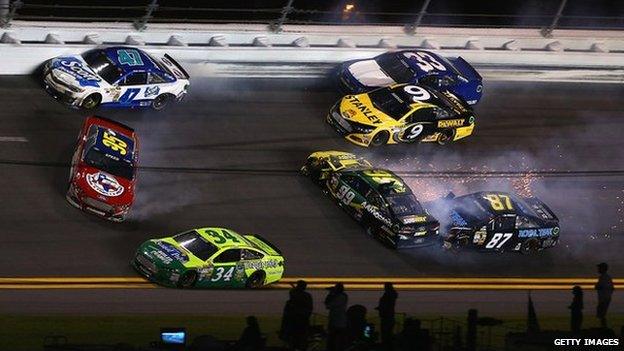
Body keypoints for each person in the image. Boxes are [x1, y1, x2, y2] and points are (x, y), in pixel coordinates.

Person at [290, 280, 313, 350]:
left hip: (297, 318)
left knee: (297, 337)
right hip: (303, 318)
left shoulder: (296, 294)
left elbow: (292, 294)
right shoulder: (307, 295)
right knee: (302, 337)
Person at [325, 282, 348, 351]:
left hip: (337, 322)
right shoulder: (342, 296)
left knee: (333, 339)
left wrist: (331, 294)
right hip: (338, 321)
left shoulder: (340, 297)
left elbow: (328, 305)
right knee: (336, 339)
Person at [376, 283, 398, 351]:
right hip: (389, 315)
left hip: (386, 316)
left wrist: (381, 308)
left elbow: (386, 305)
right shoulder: (391, 294)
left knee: (386, 332)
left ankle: (386, 346)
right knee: (388, 332)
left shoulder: (388, 295)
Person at [595, 262, 614, 328]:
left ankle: (603, 327)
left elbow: (599, 287)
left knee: (601, 315)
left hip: (604, 299)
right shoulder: (606, 277)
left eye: (599, 268)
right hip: (605, 298)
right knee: (601, 315)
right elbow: (611, 288)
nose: (598, 269)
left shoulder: (604, 278)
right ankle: (603, 327)